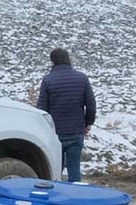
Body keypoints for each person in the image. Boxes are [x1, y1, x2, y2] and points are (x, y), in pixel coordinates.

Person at [37, 48, 96, 182]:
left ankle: (56, 195)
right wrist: (88, 123)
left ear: (52, 62)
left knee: (56, 167)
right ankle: (75, 197)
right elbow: (91, 105)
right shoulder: (82, 78)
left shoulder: (48, 80)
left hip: (55, 132)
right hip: (76, 130)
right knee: (74, 167)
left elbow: (42, 109)